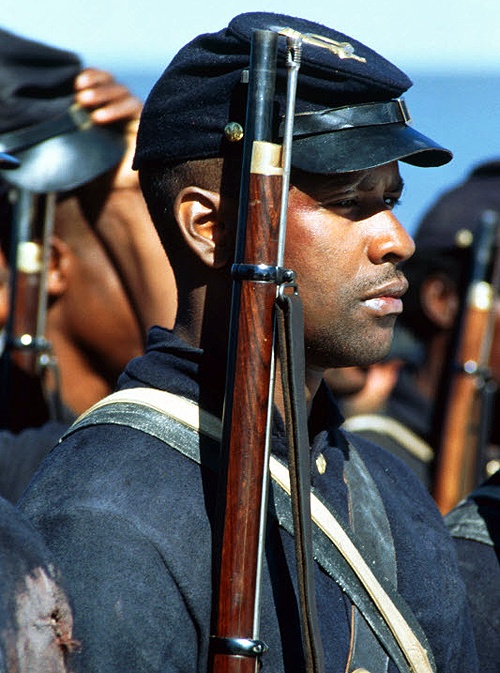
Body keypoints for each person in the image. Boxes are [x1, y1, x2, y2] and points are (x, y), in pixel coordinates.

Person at [19, 12, 478, 673]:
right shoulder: (102, 516)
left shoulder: (388, 490)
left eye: (392, 199)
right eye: (350, 200)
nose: (395, 239)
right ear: (209, 226)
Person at [0, 30, 176, 502]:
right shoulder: (28, 468)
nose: (187, 272)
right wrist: (127, 197)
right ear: (51, 264)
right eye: (151, 240)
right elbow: (207, 403)